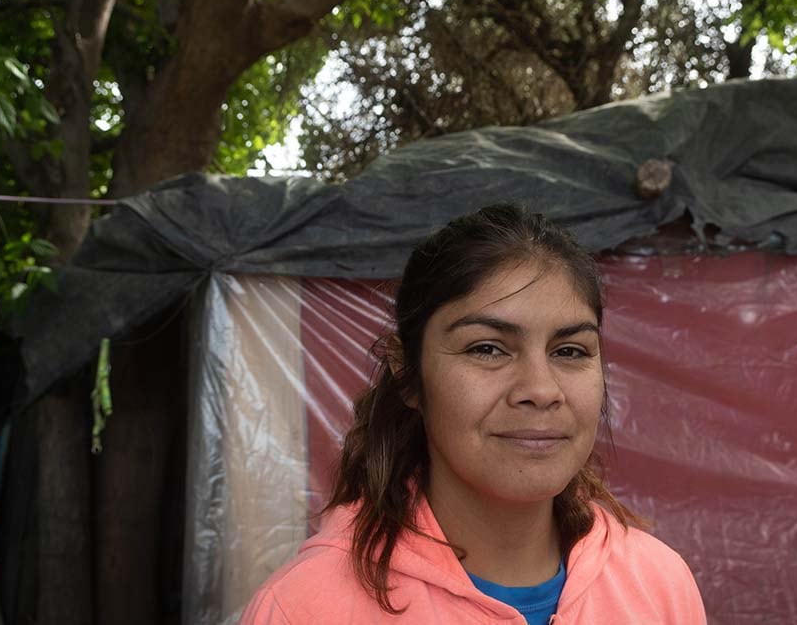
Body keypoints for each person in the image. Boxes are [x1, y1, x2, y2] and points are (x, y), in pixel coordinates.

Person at [241, 204, 706, 624]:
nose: (541, 390)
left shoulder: (661, 584)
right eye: (487, 348)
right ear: (408, 374)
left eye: (569, 350)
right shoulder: (303, 607)